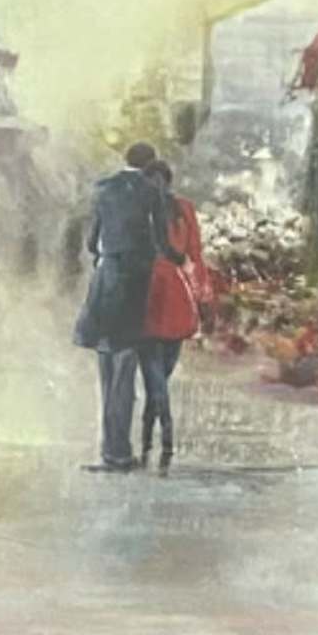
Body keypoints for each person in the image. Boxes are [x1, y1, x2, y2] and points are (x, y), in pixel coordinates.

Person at [73, 139, 174, 475]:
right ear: (150, 164)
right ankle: (119, 454)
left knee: (107, 370)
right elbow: (162, 241)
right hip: (134, 286)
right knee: (125, 369)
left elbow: (92, 242)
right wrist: (177, 261)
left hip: (105, 284)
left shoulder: (103, 188)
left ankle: (110, 450)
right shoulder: (151, 191)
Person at [137, 172, 208, 469]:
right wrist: (202, 296)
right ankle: (157, 436)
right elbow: (195, 254)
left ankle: (158, 435)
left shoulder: (140, 208)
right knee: (162, 374)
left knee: (153, 373)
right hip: (177, 293)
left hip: (146, 290)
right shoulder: (184, 209)